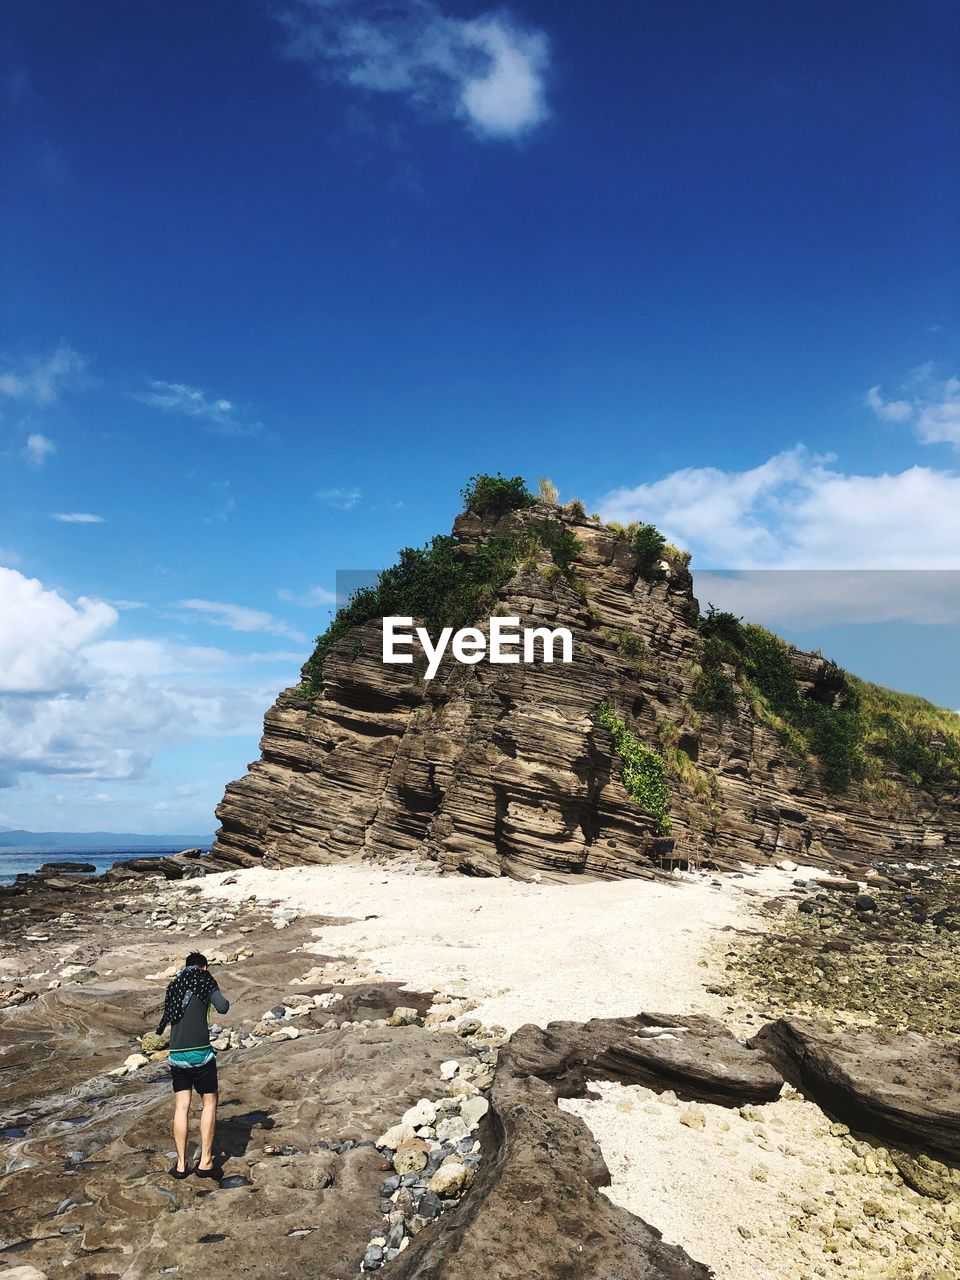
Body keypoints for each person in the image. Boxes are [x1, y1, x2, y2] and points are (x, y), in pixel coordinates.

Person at [155, 951, 229, 1179]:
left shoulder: (175, 984)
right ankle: (205, 1162)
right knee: (209, 1102)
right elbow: (223, 1007)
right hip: (200, 1053)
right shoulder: (204, 979)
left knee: (181, 1107)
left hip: (176, 1054)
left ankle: (180, 1165)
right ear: (204, 967)